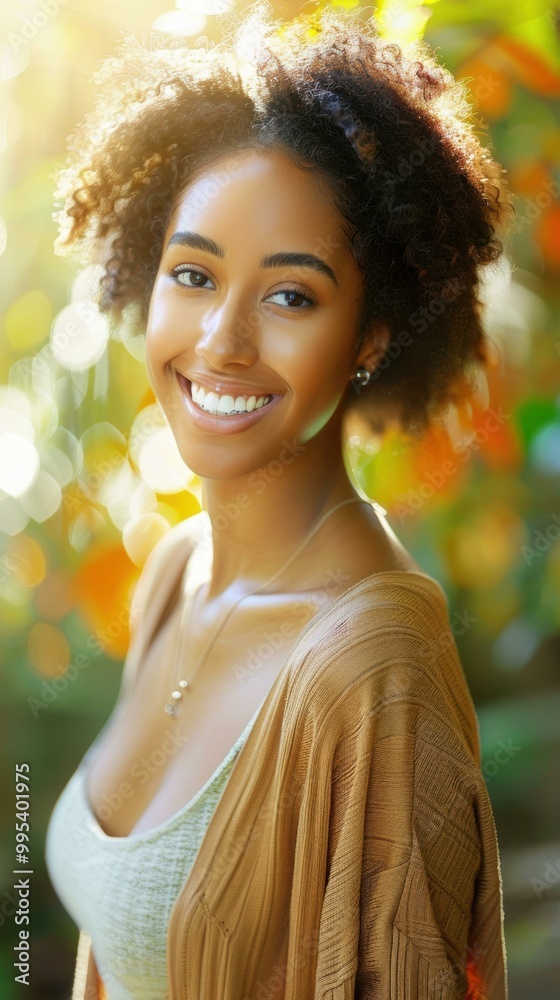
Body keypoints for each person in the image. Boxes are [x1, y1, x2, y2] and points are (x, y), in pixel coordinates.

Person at [44, 3, 515, 998]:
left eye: (289, 294)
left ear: (372, 336)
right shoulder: (175, 574)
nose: (221, 339)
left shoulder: (373, 669)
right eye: (193, 273)